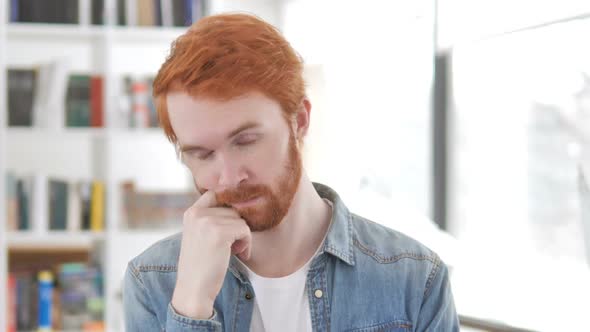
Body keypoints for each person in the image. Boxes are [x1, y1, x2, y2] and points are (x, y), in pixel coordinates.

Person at [123, 13, 459, 332]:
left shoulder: (414, 280)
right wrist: (192, 306)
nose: (228, 177)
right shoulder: (153, 281)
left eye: (246, 141)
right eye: (202, 154)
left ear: (299, 121)